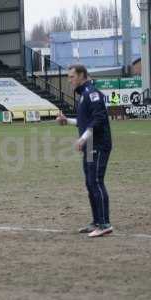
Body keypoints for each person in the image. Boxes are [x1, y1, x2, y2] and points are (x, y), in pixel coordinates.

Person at [56, 64, 113, 238]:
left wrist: (83, 138)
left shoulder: (92, 93)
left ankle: (104, 224)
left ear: (82, 75)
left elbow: (99, 119)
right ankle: (96, 222)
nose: (70, 80)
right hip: (90, 146)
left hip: (98, 144)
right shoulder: (83, 95)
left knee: (96, 181)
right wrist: (68, 121)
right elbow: (85, 121)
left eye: (72, 76)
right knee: (90, 183)